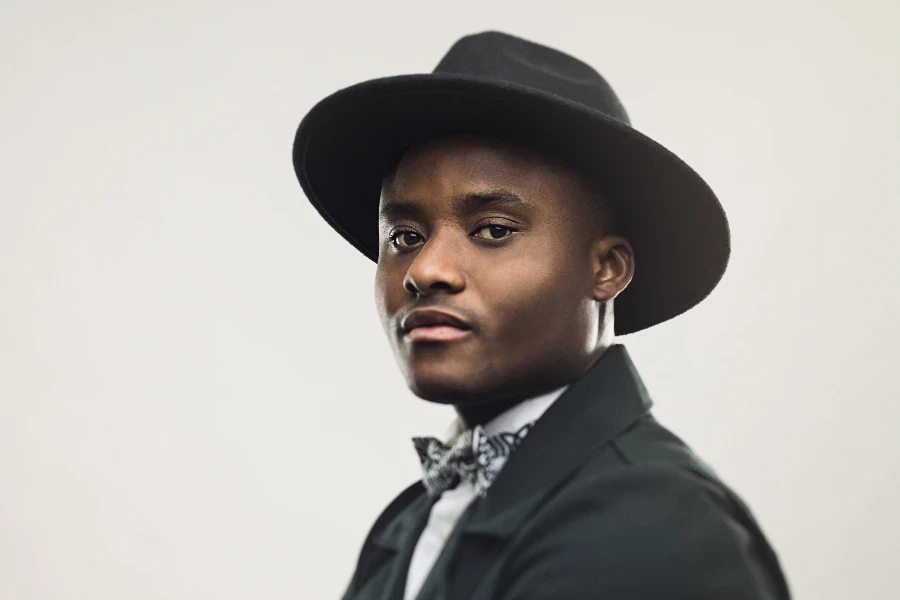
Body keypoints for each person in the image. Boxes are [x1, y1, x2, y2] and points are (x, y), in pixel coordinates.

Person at [292, 30, 791, 600]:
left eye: (494, 230)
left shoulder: (652, 526)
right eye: (404, 235)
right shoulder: (411, 521)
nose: (426, 269)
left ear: (606, 268)